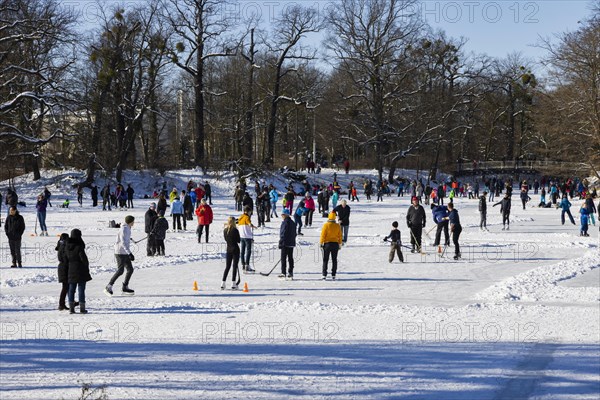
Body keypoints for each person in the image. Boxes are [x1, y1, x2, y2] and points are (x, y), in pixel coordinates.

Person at [105, 215, 136, 296]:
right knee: (120, 271)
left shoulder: (127, 228)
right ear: (130, 222)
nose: (134, 223)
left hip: (124, 252)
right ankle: (108, 286)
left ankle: (125, 286)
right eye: (133, 221)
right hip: (120, 252)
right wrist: (130, 253)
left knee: (130, 269)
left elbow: (125, 238)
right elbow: (122, 242)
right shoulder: (124, 229)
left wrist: (131, 240)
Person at [65, 229, 92, 314]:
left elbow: (65, 259)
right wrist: (86, 267)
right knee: (81, 289)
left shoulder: (67, 246)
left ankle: (71, 308)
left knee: (71, 289)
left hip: (70, 269)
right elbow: (84, 259)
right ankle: (82, 308)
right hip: (80, 270)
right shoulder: (79, 246)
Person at [320, 211, 343, 279]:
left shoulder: (326, 225)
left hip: (327, 244)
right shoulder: (337, 226)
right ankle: (333, 274)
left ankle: (324, 274)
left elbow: (323, 235)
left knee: (325, 259)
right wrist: (340, 244)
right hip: (335, 244)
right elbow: (340, 236)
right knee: (334, 259)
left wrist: (321, 243)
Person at [222, 216, 241, 290]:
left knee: (227, 266)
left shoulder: (225, 230)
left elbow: (226, 239)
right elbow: (238, 240)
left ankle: (223, 282)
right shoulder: (235, 230)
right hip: (235, 249)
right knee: (234, 266)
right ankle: (233, 283)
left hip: (228, 249)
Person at [278, 209, 297, 280]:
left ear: (286, 215)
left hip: (285, 243)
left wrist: (281, 242)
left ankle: (283, 272)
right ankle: (290, 272)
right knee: (290, 258)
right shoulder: (293, 222)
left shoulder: (285, 223)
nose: (282, 216)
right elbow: (295, 233)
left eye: (283, 214)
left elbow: (283, 233)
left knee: (283, 258)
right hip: (291, 243)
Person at [55, 233, 72, 311]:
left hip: (61, 267)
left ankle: (69, 302)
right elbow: (66, 257)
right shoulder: (64, 247)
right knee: (65, 287)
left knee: (66, 287)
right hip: (65, 268)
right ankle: (61, 304)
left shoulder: (60, 245)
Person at [238, 206, 256, 273]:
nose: (250, 213)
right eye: (250, 212)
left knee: (242, 251)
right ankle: (247, 265)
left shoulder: (241, 217)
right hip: (247, 237)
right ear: (247, 211)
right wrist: (252, 225)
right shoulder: (247, 217)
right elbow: (248, 222)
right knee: (248, 251)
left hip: (241, 236)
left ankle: (243, 264)